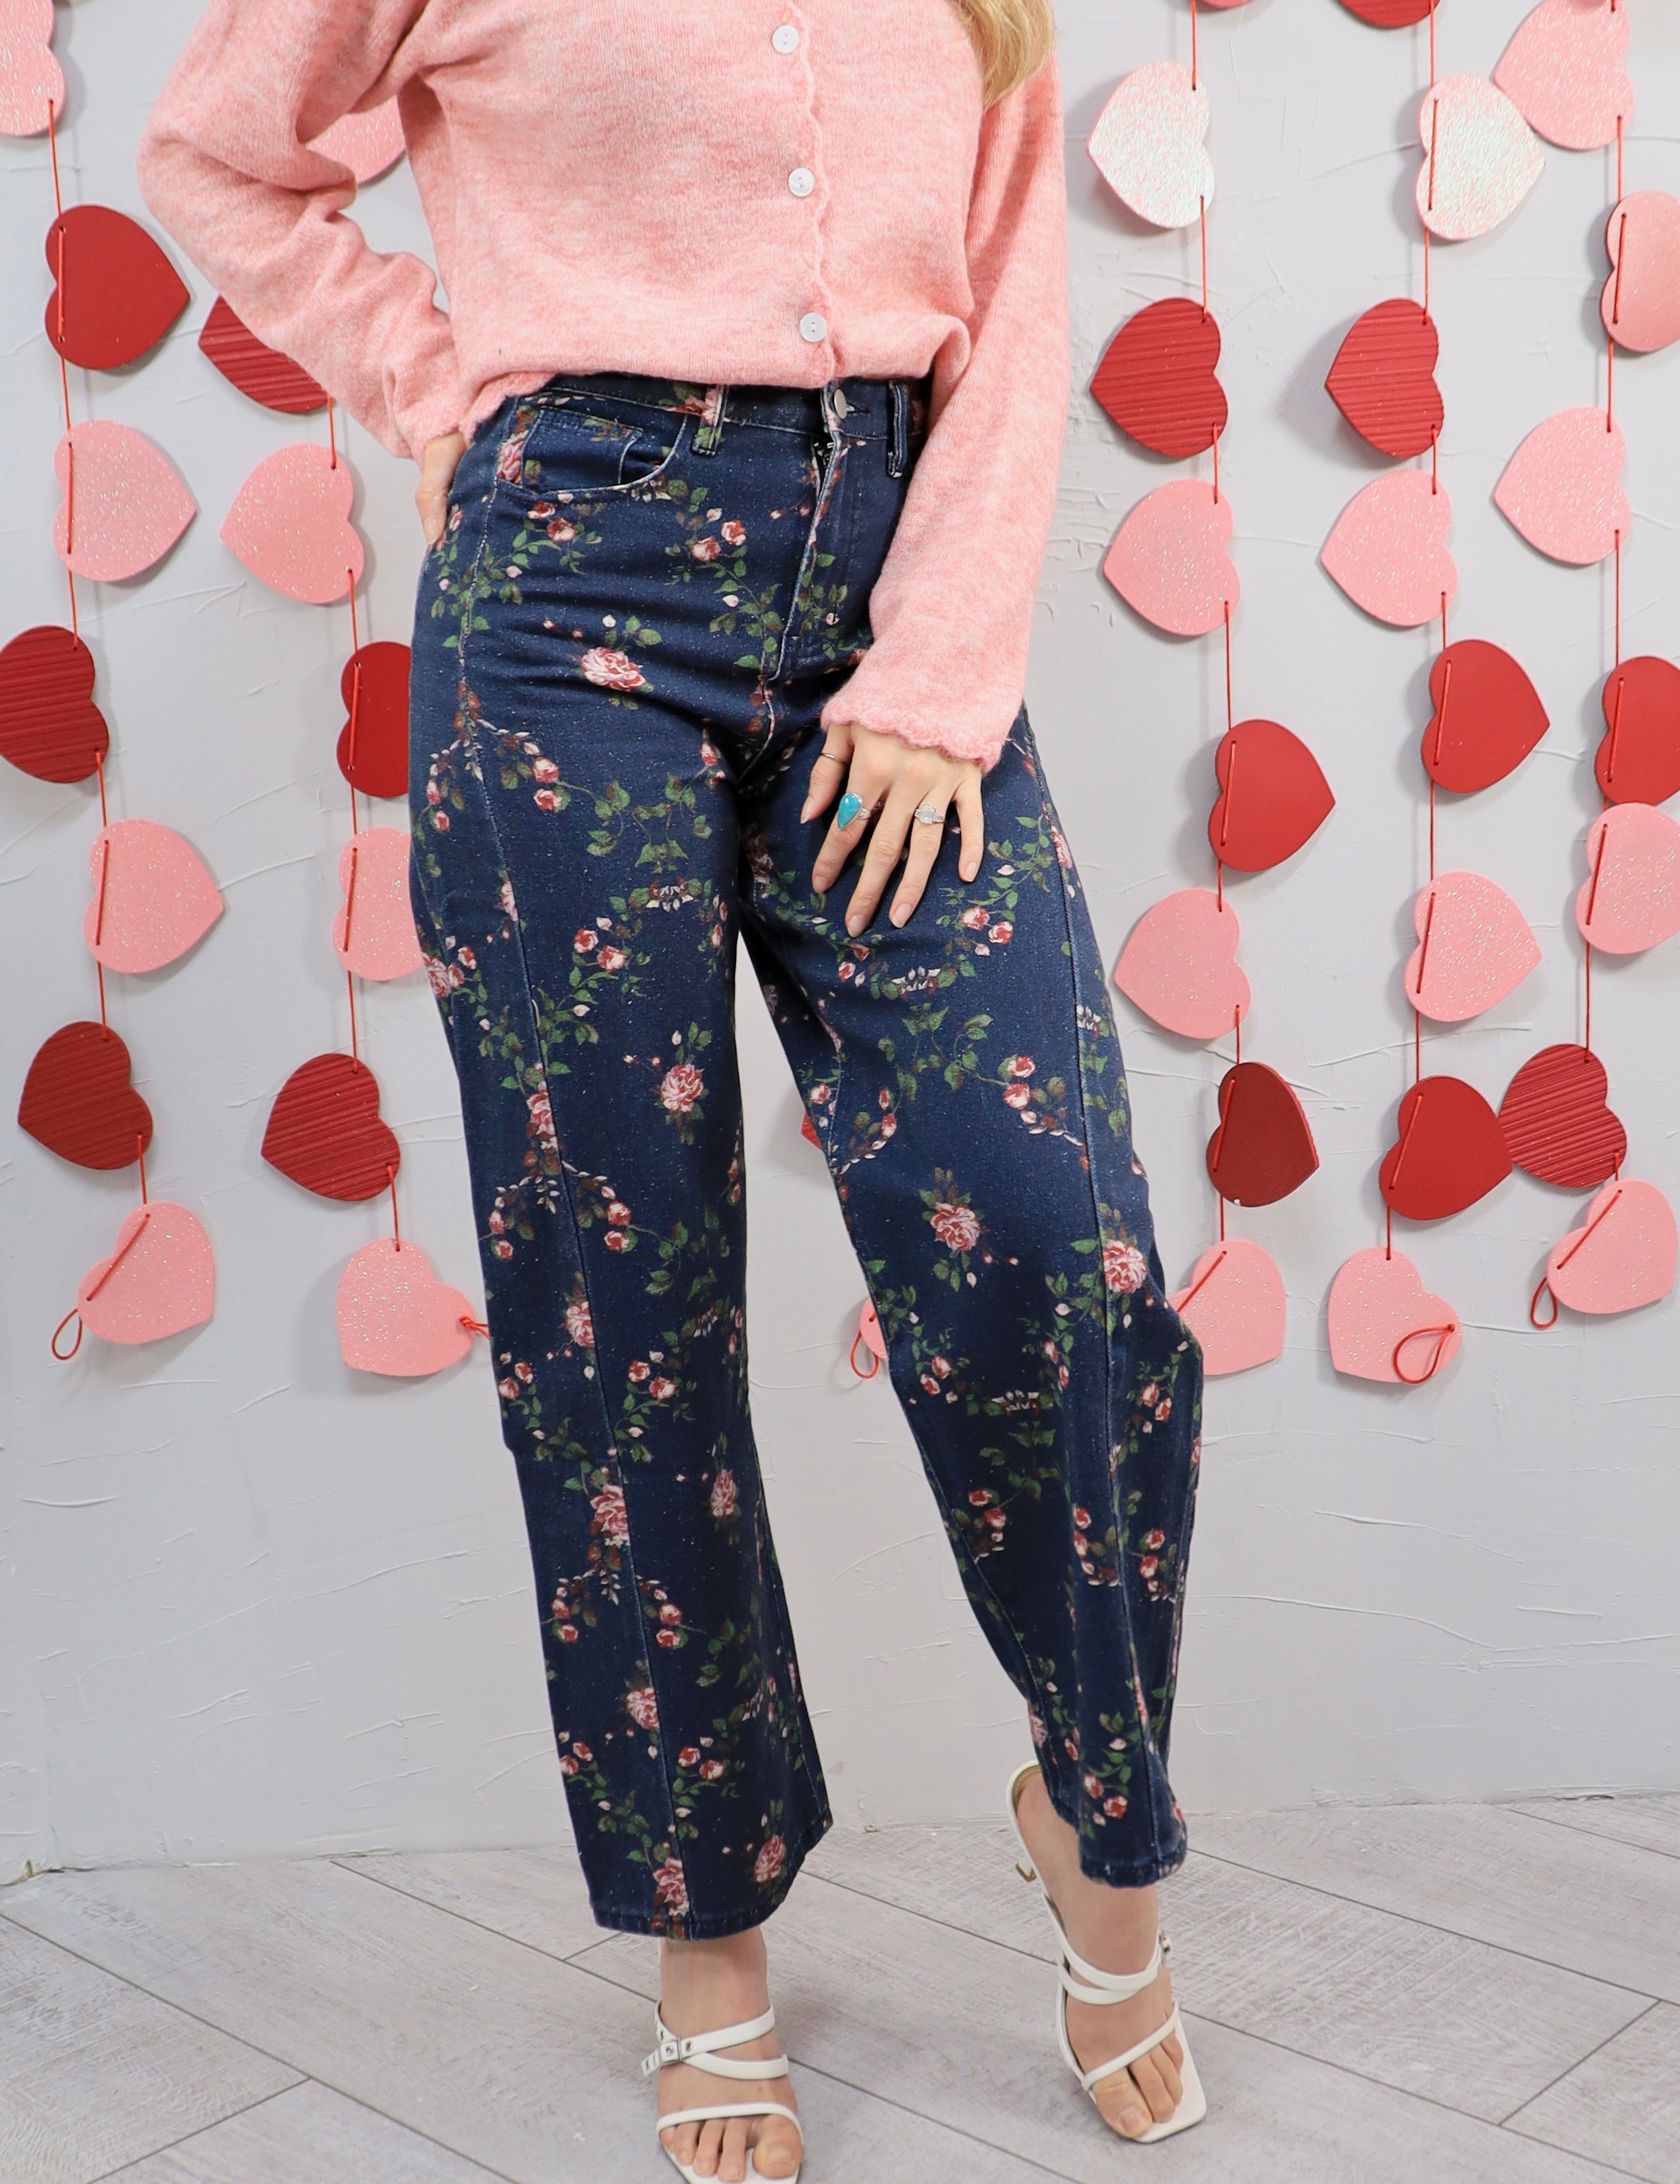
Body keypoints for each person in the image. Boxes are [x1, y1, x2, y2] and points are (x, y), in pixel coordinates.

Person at [140, 3, 1206, 2174]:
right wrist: (432, 381)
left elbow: (1013, 289)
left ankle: (1096, 1805)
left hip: (895, 600)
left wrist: (940, 668)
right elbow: (214, 148)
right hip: (566, 604)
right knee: (616, 1294)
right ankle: (707, 1934)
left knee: (1049, 1232)